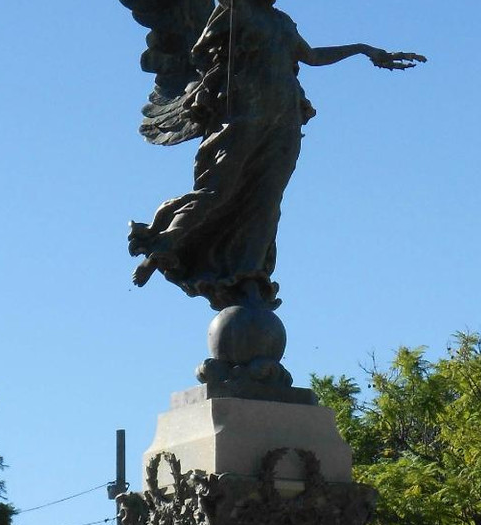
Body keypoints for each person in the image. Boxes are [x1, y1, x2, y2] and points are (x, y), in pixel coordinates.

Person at [125, 0, 423, 311]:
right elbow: (201, 52)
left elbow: (312, 56)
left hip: (284, 117)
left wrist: (364, 49)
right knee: (217, 191)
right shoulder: (235, 9)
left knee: (266, 201)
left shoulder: (282, 21)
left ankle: (249, 278)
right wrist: (228, 64)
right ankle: (164, 246)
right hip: (241, 114)